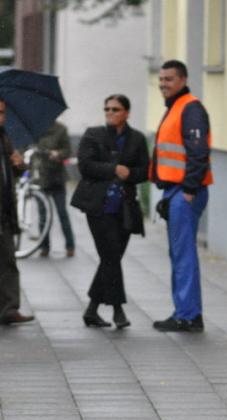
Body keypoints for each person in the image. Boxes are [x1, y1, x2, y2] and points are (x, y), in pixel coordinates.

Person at [71, 94, 149, 328]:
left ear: (126, 112)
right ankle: (118, 310)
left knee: (110, 258)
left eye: (115, 109)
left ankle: (92, 309)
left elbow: (144, 171)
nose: (110, 113)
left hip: (124, 208)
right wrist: (114, 169)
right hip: (98, 206)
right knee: (111, 255)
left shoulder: (136, 139)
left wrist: (130, 174)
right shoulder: (93, 134)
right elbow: (85, 166)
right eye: (107, 109)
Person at [150, 60, 213, 333]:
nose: (164, 84)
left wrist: (188, 190)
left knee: (184, 255)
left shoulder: (190, 108)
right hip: (175, 190)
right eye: (161, 79)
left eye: (169, 79)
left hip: (185, 192)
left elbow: (198, 153)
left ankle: (188, 316)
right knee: (179, 254)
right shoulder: (176, 107)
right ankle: (184, 311)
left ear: (183, 79)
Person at [0, 94, 35, 326]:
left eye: (0, 112)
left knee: (7, 263)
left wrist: (19, 165)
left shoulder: (4, 138)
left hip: (3, 211)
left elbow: (10, 173)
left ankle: (8, 309)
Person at [33, 121, 75, 257]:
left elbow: (67, 151)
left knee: (62, 212)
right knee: (42, 215)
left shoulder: (61, 129)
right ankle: (44, 247)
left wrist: (58, 154)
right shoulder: (34, 128)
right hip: (40, 177)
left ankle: (70, 245)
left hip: (56, 177)